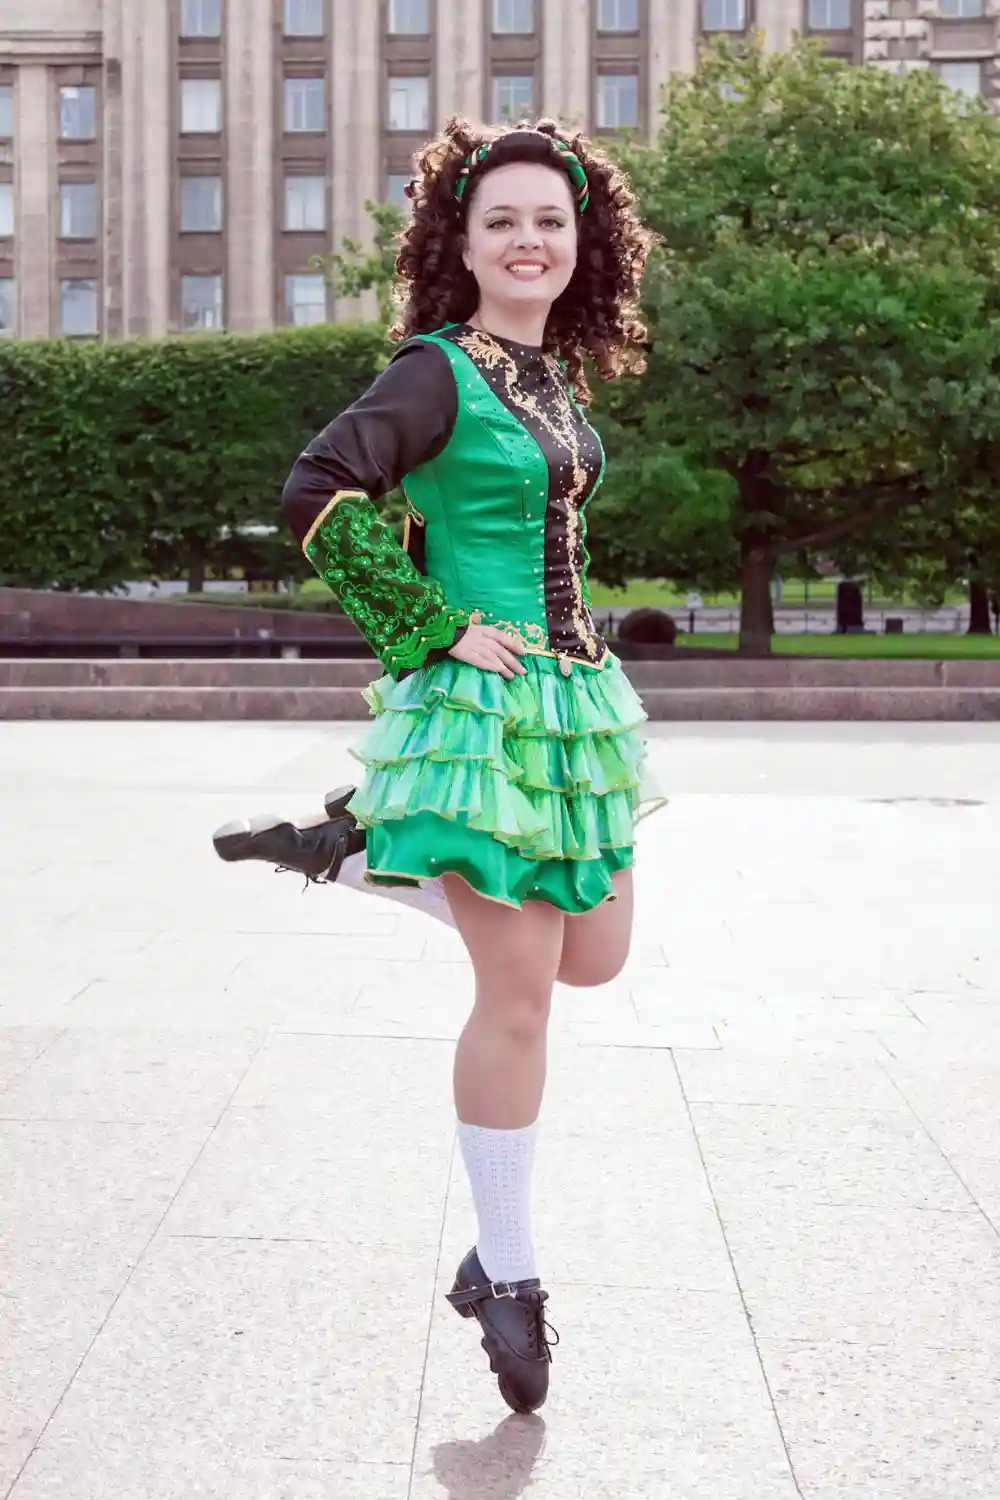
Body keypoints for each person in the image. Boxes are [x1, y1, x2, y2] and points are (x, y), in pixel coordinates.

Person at [212, 115, 658, 1414]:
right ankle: (506, 1279)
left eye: (551, 222)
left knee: (598, 953)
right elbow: (318, 493)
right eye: (503, 220)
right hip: (482, 703)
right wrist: (428, 626)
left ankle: (358, 842)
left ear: (583, 247)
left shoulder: (551, 380)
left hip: (571, 708)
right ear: (461, 245)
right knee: (517, 995)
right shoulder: (438, 372)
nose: (529, 240)